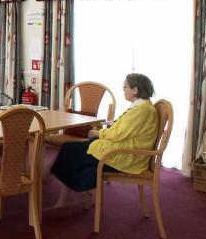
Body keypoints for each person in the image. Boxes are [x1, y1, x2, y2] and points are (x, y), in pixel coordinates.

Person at [47, 73, 159, 209]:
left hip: (125, 156)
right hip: (123, 150)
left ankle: (63, 192)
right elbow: (123, 130)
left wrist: (97, 133)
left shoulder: (141, 110)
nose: (123, 89)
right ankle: (77, 195)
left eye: (125, 87)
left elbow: (118, 134)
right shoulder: (142, 107)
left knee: (69, 150)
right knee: (76, 154)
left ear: (135, 90)